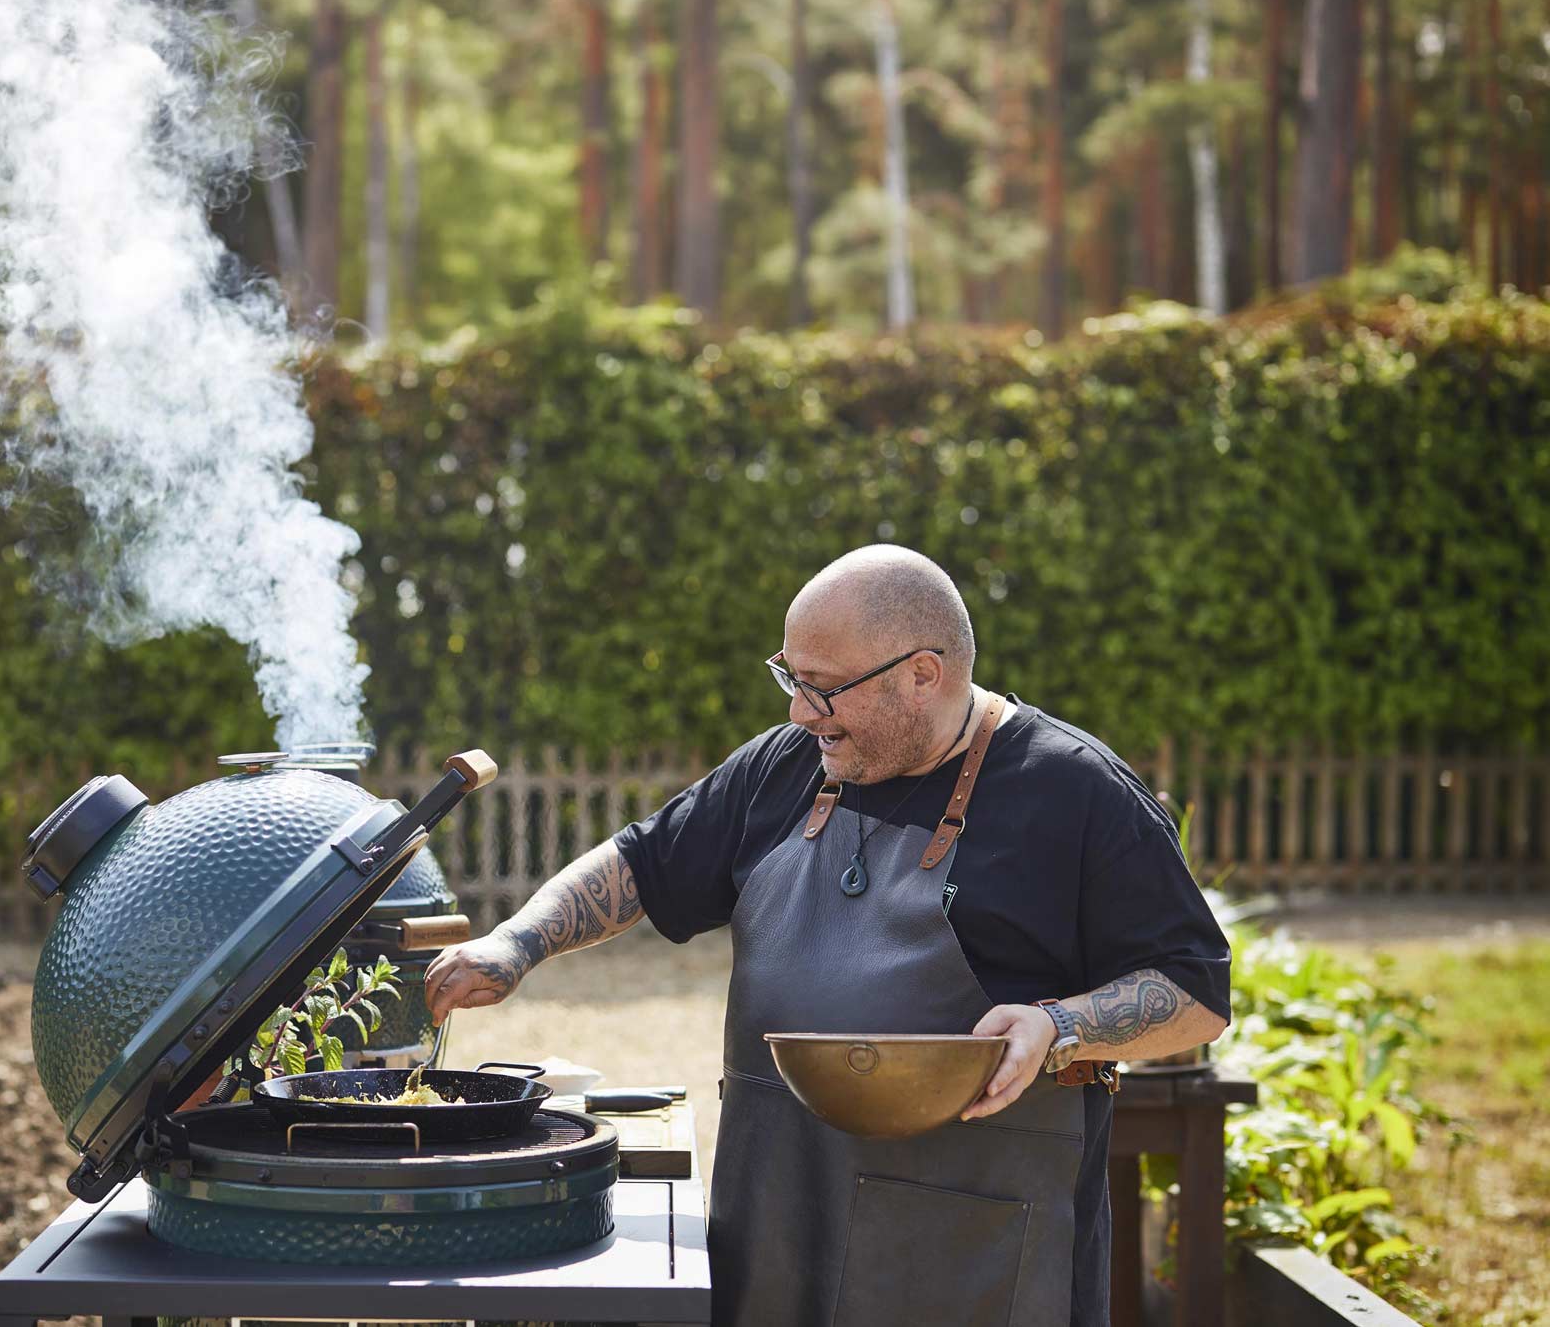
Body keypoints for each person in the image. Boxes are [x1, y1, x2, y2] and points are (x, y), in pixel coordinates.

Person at [423, 544, 1231, 1327]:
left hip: (971, 1261)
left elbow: (1195, 989)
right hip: (778, 1231)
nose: (799, 711)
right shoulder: (787, 764)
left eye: (824, 688)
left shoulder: (1076, 790)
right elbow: (642, 862)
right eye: (791, 677)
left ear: (923, 673)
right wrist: (517, 943)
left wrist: (1060, 1023)